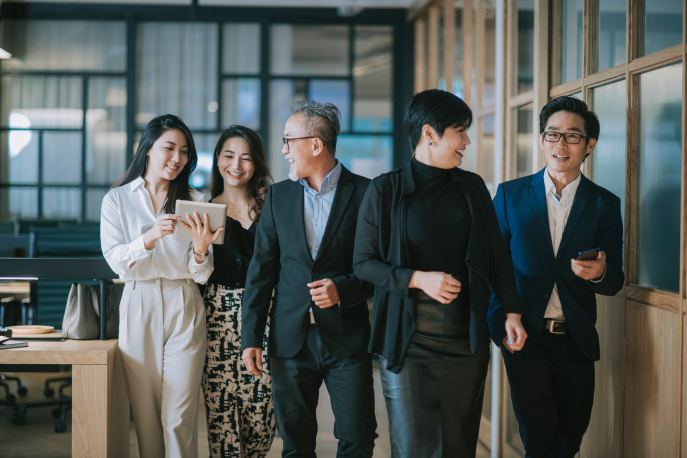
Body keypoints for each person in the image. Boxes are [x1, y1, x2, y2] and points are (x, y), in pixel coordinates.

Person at [353, 89, 527, 458]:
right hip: (408, 342)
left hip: (467, 342)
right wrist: (418, 278)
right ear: (429, 134)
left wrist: (511, 311)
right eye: (459, 130)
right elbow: (363, 263)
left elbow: (497, 256)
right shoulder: (385, 189)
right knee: (414, 449)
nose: (466, 140)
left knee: (458, 447)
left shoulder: (473, 187)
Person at [488, 96, 624, 458]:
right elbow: (492, 267)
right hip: (526, 337)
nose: (560, 144)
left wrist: (601, 273)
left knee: (570, 439)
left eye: (572, 136)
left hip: (575, 341)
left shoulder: (604, 204)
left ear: (589, 144)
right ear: (541, 140)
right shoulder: (509, 196)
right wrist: (500, 324)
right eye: (552, 134)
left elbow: (615, 280)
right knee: (540, 439)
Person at [241, 100, 377, 458]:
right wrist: (250, 338)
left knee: (357, 439)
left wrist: (343, 289)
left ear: (316, 144)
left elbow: (378, 268)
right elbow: (261, 272)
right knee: (296, 445)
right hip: (290, 342)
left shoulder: (366, 194)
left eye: (289, 141)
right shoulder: (278, 197)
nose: (284, 151)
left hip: (347, 339)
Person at [101, 114, 223, 458]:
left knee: (179, 413)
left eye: (184, 151)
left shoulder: (195, 200)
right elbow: (116, 261)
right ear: (148, 149)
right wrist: (150, 237)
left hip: (183, 300)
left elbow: (201, 274)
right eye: (169, 147)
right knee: (145, 413)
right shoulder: (118, 200)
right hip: (138, 300)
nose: (177, 158)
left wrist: (201, 250)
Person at [203, 126, 276, 457]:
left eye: (246, 158)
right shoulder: (203, 211)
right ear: (218, 159)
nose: (236, 165)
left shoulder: (271, 208)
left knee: (260, 425)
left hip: (264, 319)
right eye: (229, 155)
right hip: (215, 322)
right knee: (222, 427)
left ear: (256, 163)